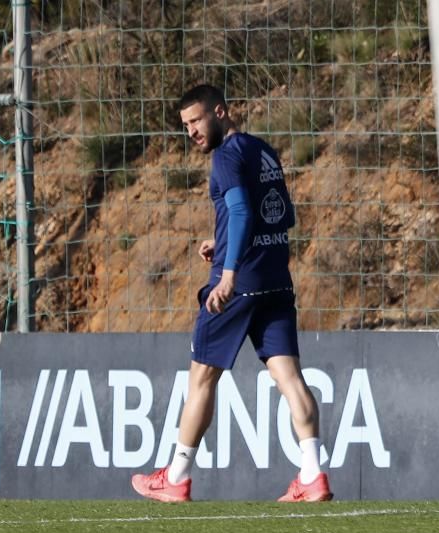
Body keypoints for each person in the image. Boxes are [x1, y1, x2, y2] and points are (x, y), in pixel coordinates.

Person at [131, 84, 332, 503]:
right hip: (276, 277)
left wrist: (228, 272)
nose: (191, 132)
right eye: (185, 125)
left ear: (220, 112)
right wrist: (220, 243)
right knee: (290, 377)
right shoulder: (262, 151)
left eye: (197, 121)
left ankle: (177, 477)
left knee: (202, 378)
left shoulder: (224, 157)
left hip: (239, 285)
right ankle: (313, 475)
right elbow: (281, 215)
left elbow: (241, 210)